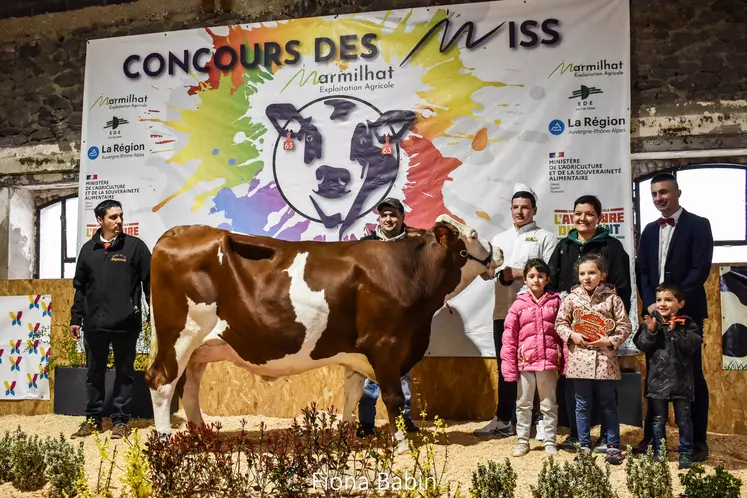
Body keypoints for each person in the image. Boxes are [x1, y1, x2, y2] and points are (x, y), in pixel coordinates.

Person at [634, 172, 713, 462]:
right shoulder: (649, 231)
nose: (659, 199)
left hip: (686, 310)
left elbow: (700, 268)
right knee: (654, 374)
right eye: (654, 194)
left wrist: (675, 304)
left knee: (692, 375)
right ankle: (652, 438)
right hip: (656, 312)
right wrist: (651, 305)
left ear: (678, 193)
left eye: (664, 192)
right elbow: (643, 271)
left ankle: (698, 441)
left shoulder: (699, 225)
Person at [548, 194, 631, 452]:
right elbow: (551, 281)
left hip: (603, 338)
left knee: (606, 394)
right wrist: (568, 332)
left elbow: (624, 288)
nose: (583, 218)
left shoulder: (612, 246)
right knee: (575, 390)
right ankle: (577, 435)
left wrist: (614, 333)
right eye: (578, 214)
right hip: (576, 338)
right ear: (572, 217)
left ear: (599, 217)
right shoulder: (564, 246)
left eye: (589, 214)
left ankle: (608, 437)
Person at [474, 184, 557, 438]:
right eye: (515, 207)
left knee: (539, 367)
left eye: (525, 207)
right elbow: (487, 275)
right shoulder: (498, 240)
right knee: (506, 366)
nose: (520, 212)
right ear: (511, 210)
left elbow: (553, 274)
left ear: (534, 210)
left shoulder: (546, 237)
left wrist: (518, 272)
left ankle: (541, 422)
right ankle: (503, 420)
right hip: (504, 312)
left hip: (536, 314)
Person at [69, 199, 151, 440]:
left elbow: (151, 282)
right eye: (113, 217)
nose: (119, 221)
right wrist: (76, 318)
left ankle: (120, 421)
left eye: (120, 216)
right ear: (100, 220)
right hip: (94, 325)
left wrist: (152, 314)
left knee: (124, 373)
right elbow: (80, 288)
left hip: (126, 323)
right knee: (94, 373)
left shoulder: (135, 247)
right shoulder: (88, 250)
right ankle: (93, 420)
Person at [555, 253, 632, 465]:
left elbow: (625, 326)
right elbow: (560, 324)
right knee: (581, 405)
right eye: (582, 273)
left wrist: (609, 341)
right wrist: (572, 335)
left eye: (592, 272)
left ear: (602, 275)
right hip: (579, 361)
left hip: (605, 360)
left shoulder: (612, 299)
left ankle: (613, 446)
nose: (587, 277)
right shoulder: (571, 299)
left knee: (608, 404)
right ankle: (585, 446)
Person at [356, 197, 419, 436]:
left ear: (403, 218)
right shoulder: (366, 245)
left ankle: (404, 419)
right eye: (384, 215)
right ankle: (366, 422)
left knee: (403, 371)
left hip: (404, 320)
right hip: (373, 320)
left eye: (393, 214)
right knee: (370, 372)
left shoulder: (414, 246)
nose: (389, 219)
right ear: (379, 219)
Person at [632, 282, 702, 469]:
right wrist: (652, 331)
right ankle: (659, 453)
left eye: (669, 300)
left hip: (681, 382)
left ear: (680, 303)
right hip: (657, 382)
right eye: (659, 300)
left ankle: (686, 453)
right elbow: (641, 344)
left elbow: (692, 345)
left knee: (683, 420)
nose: (662, 304)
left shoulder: (687, 323)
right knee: (657, 419)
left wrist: (675, 330)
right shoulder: (651, 322)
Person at [500, 258, 563, 456]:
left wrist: (564, 362)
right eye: (531, 276)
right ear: (525, 279)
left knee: (548, 404)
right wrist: (510, 368)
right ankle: (522, 441)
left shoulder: (556, 302)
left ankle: (550, 441)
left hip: (548, 363)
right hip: (525, 363)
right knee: (524, 403)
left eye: (540, 276)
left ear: (547, 279)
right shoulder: (518, 306)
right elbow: (509, 338)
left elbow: (563, 334)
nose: (536, 280)